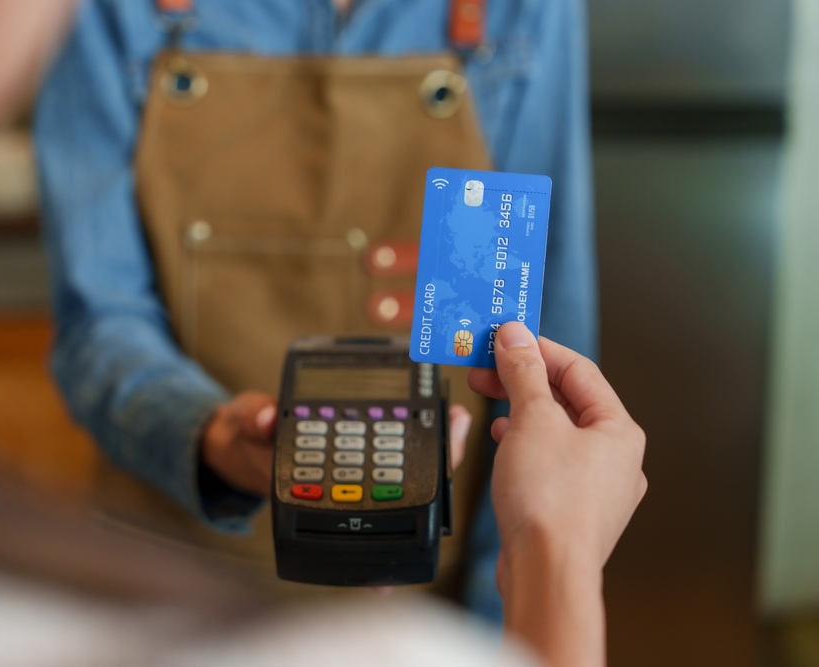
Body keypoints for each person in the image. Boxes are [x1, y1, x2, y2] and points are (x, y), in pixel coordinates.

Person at [0, 3, 644, 666]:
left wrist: (499, 610)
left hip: (426, 573)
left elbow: (537, 331)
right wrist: (554, 559)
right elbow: (98, 320)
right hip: (162, 562)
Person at [34, 0, 597, 615]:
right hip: (168, 586)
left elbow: (538, 342)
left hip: (420, 597)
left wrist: (512, 621)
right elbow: (98, 318)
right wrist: (211, 435)